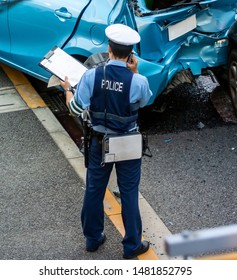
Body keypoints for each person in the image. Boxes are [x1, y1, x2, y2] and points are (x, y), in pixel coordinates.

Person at [60, 23, 152, 259]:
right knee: (129, 192)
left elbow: (76, 109)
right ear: (130, 54)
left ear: (109, 49)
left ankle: (93, 238)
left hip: (99, 143)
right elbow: (144, 102)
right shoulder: (139, 81)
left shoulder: (92, 75)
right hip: (128, 144)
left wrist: (68, 89)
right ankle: (132, 245)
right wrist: (133, 73)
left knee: (94, 189)